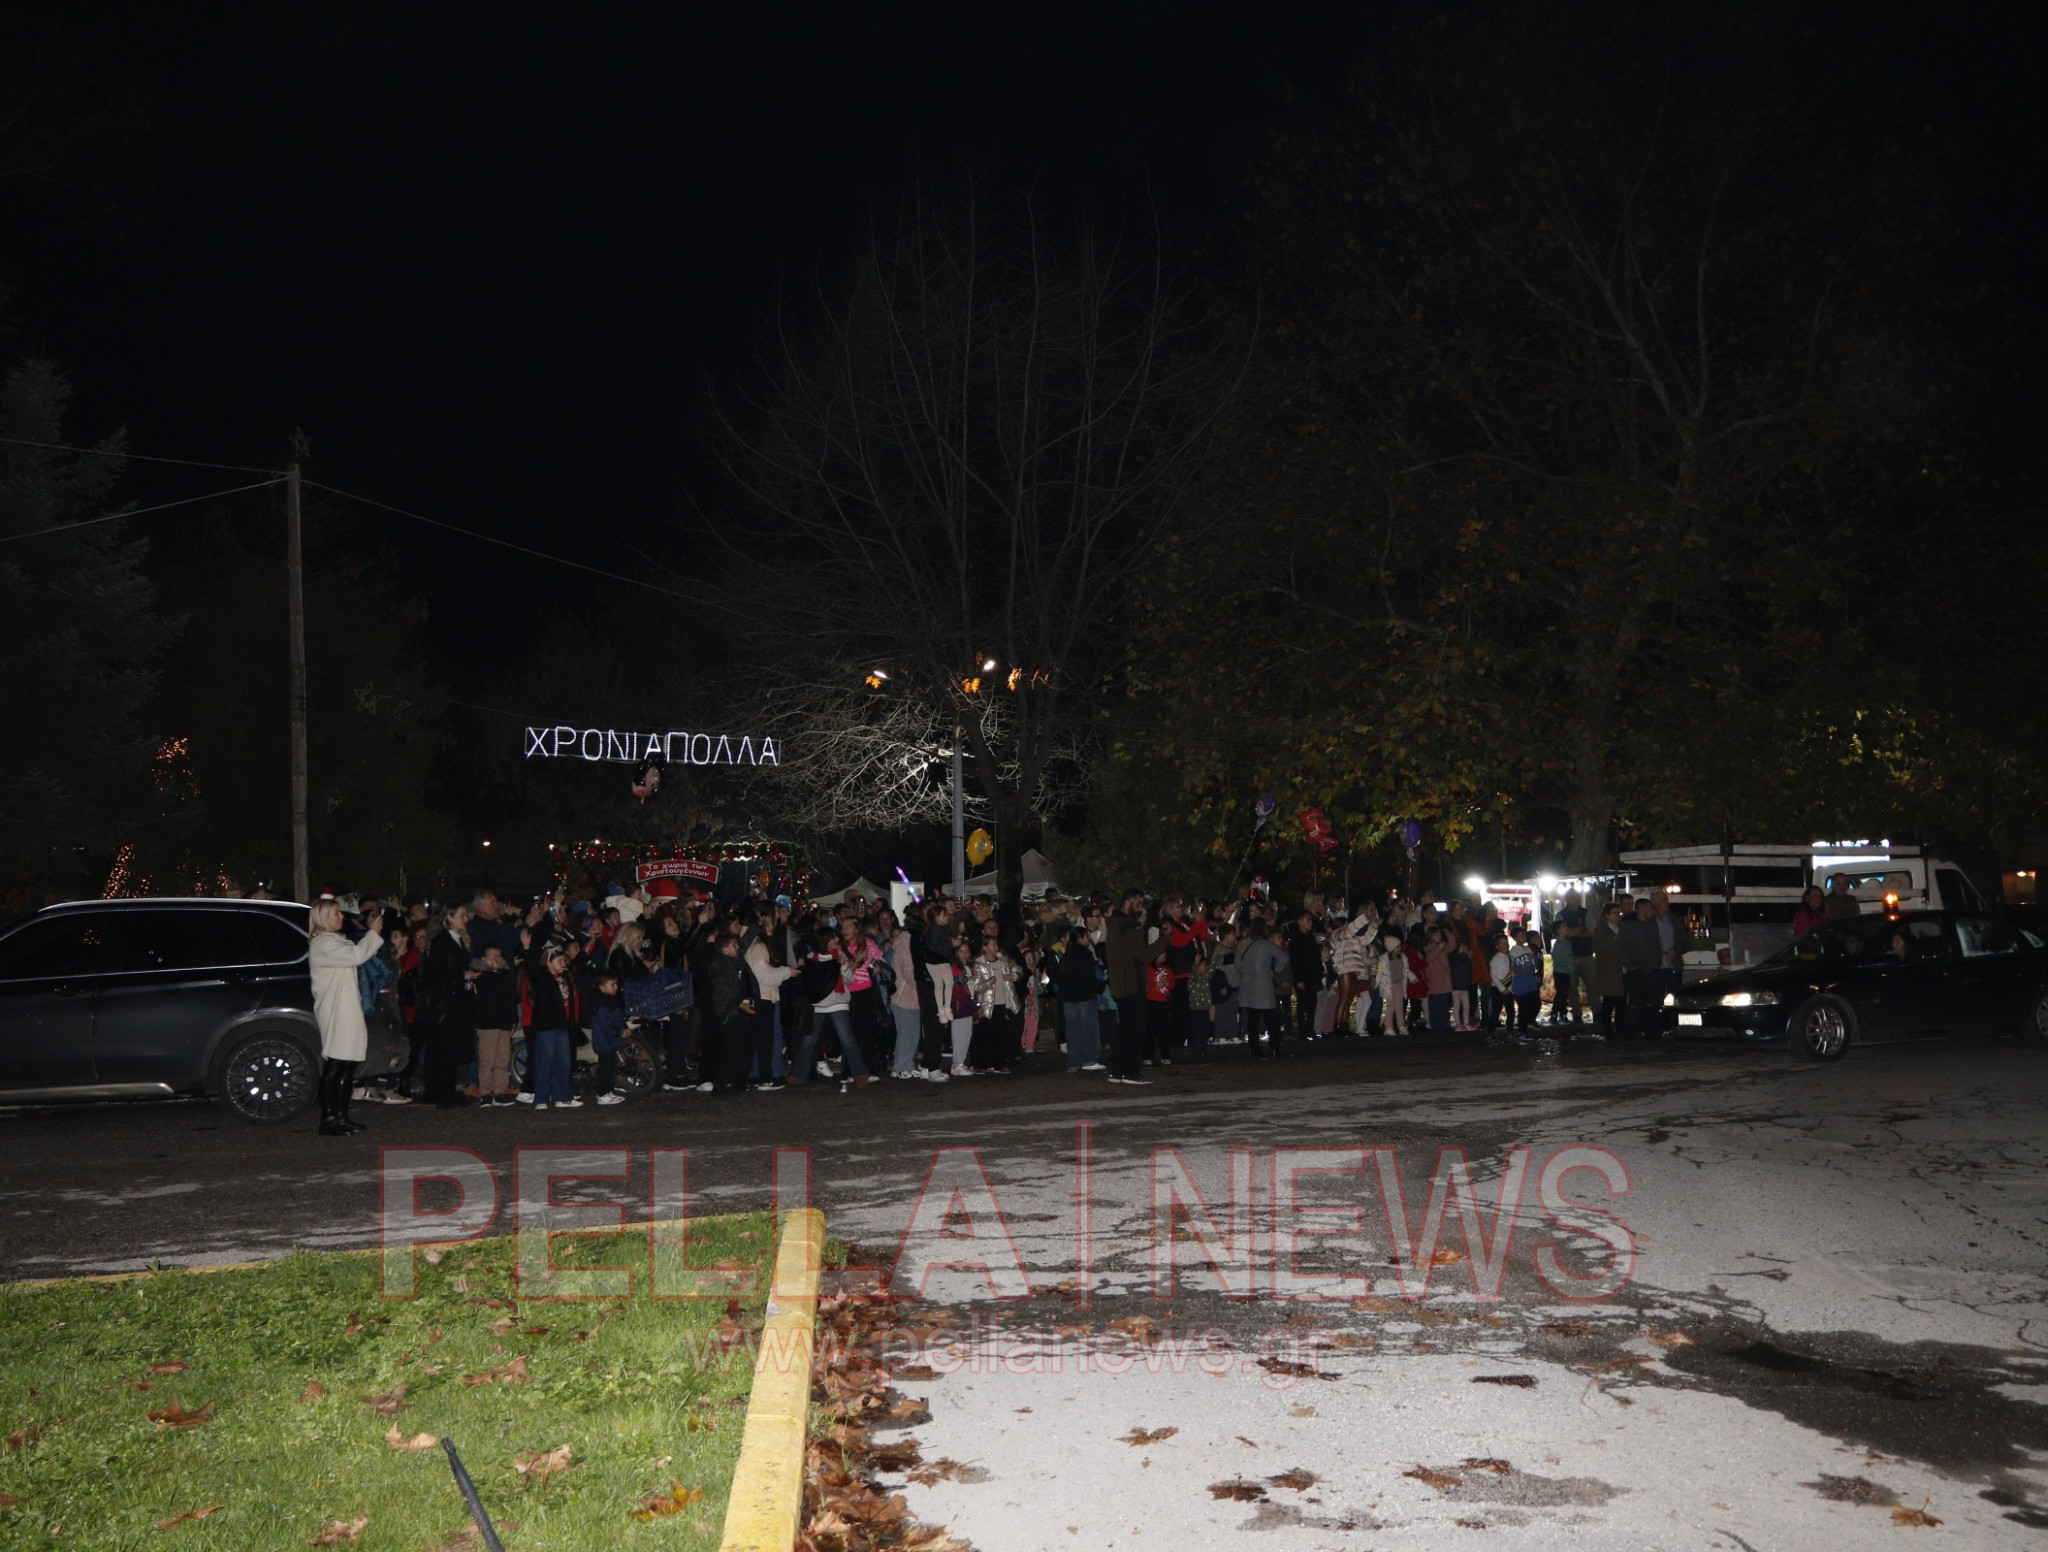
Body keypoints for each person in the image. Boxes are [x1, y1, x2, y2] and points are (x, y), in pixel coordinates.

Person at [308, 900, 385, 1136]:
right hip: (336, 1011)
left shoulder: (333, 942)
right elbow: (356, 955)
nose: (340, 916)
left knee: (345, 1064)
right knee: (337, 1063)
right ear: (322, 918)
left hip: (345, 1009)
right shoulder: (323, 944)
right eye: (335, 913)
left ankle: (340, 1116)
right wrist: (373, 934)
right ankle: (330, 1118)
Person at [418, 903, 478, 1108]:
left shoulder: (457, 940)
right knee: (443, 1049)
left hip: (455, 1003)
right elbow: (435, 972)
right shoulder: (442, 941)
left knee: (448, 1049)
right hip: (445, 1004)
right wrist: (461, 976)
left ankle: (446, 1090)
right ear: (450, 918)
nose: (465, 919)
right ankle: (442, 1093)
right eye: (461, 916)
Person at [521, 940, 582, 1109]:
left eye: (564, 960)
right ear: (548, 963)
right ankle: (541, 1098)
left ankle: (562, 1096)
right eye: (559, 961)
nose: (563, 964)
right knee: (544, 1062)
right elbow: (533, 968)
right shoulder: (542, 978)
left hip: (563, 1026)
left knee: (564, 1062)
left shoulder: (565, 978)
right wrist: (526, 948)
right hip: (546, 1026)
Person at [471, 943, 521, 1105]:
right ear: (484, 958)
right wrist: (488, 969)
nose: (495, 959)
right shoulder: (480, 975)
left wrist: (513, 1020)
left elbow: (512, 999)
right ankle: (485, 1092)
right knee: (488, 1060)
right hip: (488, 1023)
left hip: (504, 1022)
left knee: (502, 1059)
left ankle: (500, 1091)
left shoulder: (505, 975)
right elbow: (485, 986)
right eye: (491, 956)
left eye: (498, 956)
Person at [1054, 926, 1106, 1072]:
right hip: (1084, 996)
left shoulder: (1067, 954)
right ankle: (1089, 1059)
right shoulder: (1085, 954)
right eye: (1086, 936)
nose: (1088, 939)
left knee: (1073, 1030)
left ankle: (1074, 1061)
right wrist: (1099, 986)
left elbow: (1058, 974)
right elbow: (1090, 976)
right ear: (1081, 938)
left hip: (1069, 998)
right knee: (1088, 1028)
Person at [1235, 926, 1288, 1057]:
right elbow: (1284, 958)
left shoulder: (1242, 944)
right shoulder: (1265, 945)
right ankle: (1274, 1049)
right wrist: (1275, 970)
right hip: (1263, 984)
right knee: (1270, 1019)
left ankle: (1254, 1048)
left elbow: (1237, 965)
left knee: (1252, 1019)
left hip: (1247, 985)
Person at [1616, 896, 1664, 1039]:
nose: (1652, 912)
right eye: (1649, 909)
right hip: (1636, 971)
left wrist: (1657, 962)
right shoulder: (1628, 926)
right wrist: (1631, 965)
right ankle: (1634, 1030)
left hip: (1652, 970)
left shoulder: (1652, 924)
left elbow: (1657, 944)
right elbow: (1620, 949)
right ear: (1641, 910)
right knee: (1636, 1002)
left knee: (1653, 1001)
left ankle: (1651, 1029)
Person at [588, 970, 629, 1104]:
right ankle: (602, 1093)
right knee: (605, 1068)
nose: (616, 987)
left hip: (610, 1041)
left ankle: (609, 1090)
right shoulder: (601, 1004)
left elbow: (617, 1017)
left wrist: (624, 1027)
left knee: (612, 1066)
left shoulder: (611, 1000)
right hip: (604, 1041)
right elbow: (604, 1026)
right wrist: (619, 1032)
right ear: (602, 987)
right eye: (612, 985)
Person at [1586, 900, 1622, 1040]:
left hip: (1620, 969)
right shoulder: (1601, 930)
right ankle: (1607, 1027)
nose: (1617, 915)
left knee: (1620, 1001)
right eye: (1615, 913)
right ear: (1607, 915)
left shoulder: (1621, 927)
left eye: (1618, 913)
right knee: (1609, 999)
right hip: (1608, 969)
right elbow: (1598, 947)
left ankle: (1619, 1026)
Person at [1509, 930, 1543, 1037]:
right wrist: (1519, 970)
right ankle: (1522, 1030)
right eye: (1521, 935)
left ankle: (1529, 1021)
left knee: (1536, 1003)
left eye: (1524, 935)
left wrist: (1536, 973)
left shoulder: (1528, 949)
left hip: (1531, 982)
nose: (1524, 937)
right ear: (1515, 938)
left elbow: (1533, 964)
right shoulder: (1512, 952)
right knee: (1523, 1007)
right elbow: (1509, 967)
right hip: (1520, 983)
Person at [1378, 930, 1412, 1037]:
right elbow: (1380, 972)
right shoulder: (1383, 959)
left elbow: (1406, 970)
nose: (1400, 948)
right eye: (1397, 947)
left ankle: (1401, 1026)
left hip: (1399, 984)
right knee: (1390, 1007)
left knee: (1399, 1006)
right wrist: (1376, 982)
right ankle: (1389, 1027)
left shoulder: (1402, 958)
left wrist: (1411, 976)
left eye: (1399, 946)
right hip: (1390, 986)